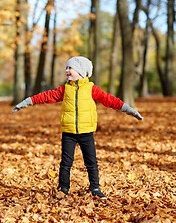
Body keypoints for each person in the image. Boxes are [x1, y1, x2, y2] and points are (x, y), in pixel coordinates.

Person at [12, 56, 143, 199]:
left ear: (80, 70)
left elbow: (109, 100)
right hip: (68, 132)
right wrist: (26, 102)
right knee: (66, 162)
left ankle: (95, 188)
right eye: (66, 68)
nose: (67, 70)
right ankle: (63, 188)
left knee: (91, 162)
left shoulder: (91, 88)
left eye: (70, 68)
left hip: (86, 133)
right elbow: (46, 96)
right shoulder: (65, 89)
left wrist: (129, 110)